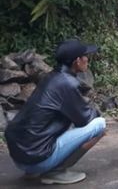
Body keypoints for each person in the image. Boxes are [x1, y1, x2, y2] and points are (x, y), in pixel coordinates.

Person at [4, 39, 106, 185]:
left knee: (66, 120)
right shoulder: (66, 83)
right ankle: (55, 171)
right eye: (85, 56)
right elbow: (85, 119)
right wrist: (95, 112)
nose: (87, 59)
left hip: (21, 158)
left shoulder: (52, 77)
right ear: (77, 61)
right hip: (36, 160)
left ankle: (34, 172)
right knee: (99, 125)